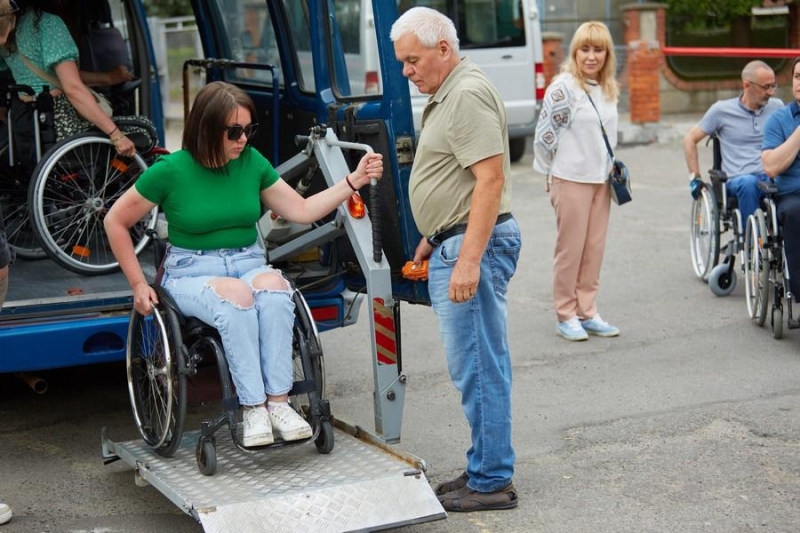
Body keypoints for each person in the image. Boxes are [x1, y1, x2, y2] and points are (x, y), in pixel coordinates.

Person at [104, 81, 383, 447]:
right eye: (233, 131)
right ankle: (253, 408)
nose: (242, 140)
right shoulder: (171, 170)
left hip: (248, 260)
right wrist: (139, 284)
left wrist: (353, 180)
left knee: (275, 289)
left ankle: (279, 404)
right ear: (206, 128)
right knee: (237, 296)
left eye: (248, 130)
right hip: (192, 271)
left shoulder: (251, 162)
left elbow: (300, 210)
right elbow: (115, 221)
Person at [391, 7, 521, 512]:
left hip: (472, 247)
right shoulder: (451, 89)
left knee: (479, 368)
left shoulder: (463, 94)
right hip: (454, 238)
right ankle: (485, 465)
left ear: (442, 49)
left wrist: (467, 260)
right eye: (403, 62)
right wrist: (432, 236)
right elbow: (458, 178)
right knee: (477, 365)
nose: (407, 70)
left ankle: (491, 482)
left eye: (412, 60)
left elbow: (490, 180)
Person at [533, 21, 620, 342]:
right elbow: (544, 137)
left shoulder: (609, 87)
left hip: (601, 180)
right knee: (571, 250)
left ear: (607, 54)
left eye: (598, 50)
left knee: (594, 248)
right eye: (585, 49)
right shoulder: (564, 88)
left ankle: (588, 309)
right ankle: (566, 314)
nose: (591, 56)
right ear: (575, 51)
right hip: (570, 179)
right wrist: (548, 172)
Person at [0, 0, 134, 175]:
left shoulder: (7, 30)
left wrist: (108, 78)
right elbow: (73, 88)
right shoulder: (47, 24)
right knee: (142, 129)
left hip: (23, 118)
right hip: (58, 119)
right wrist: (117, 136)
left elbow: (55, 76)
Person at [683, 60, 783, 221]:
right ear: (747, 85)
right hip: (738, 179)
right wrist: (695, 178)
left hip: (771, 175)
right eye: (766, 87)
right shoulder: (721, 111)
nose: (771, 92)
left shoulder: (777, 107)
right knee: (748, 183)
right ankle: (751, 242)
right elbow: (689, 139)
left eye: (773, 86)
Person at [761, 56, 800, 303]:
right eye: (797, 77)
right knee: (797, 212)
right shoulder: (779, 120)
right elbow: (771, 166)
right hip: (792, 197)